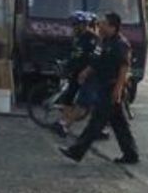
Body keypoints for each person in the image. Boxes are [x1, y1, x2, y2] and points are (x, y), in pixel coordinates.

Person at [59, 12, 139, 164]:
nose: (100, 25)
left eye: (103, 23)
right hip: (102, 86)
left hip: (111, 88)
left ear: (112, 27)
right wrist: (86, 71)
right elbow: (97, 60)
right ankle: (131, 154)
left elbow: (124, 69)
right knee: (119, 124)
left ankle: (76, 151)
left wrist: (117, 91)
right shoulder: (104, 41)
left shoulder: (120, 44)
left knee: (95, 124)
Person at [52, 11, 108, 140]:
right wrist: (66, 64)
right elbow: (75, 54)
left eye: (76, 24)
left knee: (85, 103)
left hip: (88, 74)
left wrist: (87, 71)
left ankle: (69, 124)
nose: (73, 27)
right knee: (69, 97)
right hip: (76, 72)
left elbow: (95, 58)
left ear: (83, 24)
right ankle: (63, 122)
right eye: (73, 24)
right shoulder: (78, 37)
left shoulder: (93, 39)